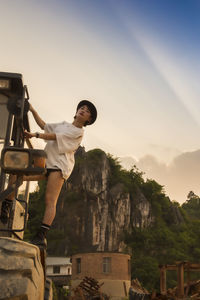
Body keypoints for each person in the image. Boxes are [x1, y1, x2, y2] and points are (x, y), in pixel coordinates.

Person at [22, 100, 97, 248]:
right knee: (17, 174)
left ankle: (41, 236)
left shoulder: (78, 132)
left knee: (50, 200)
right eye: (81, 107)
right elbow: (44, 126)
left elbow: (54, 137)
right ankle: (6, 205)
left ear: (89, 119)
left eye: (87, 111)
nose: (83, 110)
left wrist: (35, 135)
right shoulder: (63, 125)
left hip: (59, 166)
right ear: (76, 111)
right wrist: (32, 109)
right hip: (46, 161)